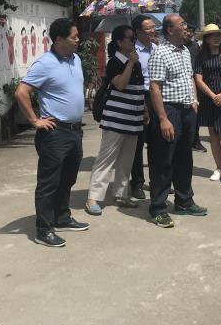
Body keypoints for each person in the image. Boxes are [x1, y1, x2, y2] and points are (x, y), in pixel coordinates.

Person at [15, 18, 89, 248]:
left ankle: (62, 217)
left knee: (68, 178)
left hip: (75, 131)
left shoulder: (76, 59)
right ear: (59, 40)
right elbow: (21, 92)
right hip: (55, 133)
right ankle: (44, 229)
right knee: (49, 183)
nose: (78, 40)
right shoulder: (45, 64)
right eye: (74, 37)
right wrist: (35, 120)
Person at [147, 13, 207, 228]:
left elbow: (189, 77)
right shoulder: (160, 53)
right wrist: (163, 119)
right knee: (163, 160)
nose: (186, 27)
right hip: (169, 111)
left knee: (184, 159)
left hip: (187, 110)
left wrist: (194, 100)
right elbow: (155, 87)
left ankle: (184, 201)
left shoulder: (185, 51)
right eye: (182, 24)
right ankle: (158, 208)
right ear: (170, 30)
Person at [85, 25, 146, 215]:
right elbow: (120, 84)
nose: (134, 41)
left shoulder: (134, 62)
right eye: (130, 38)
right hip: (116, 119)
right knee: (106, 159)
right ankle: (93, 197)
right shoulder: (115, 62)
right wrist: (130, 63)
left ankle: (121, 194)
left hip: (133, 118)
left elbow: (137, 88)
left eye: (134, 37)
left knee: (126, 160)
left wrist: (144, 109)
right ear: (120, 42)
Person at [194, 24, 221, 185]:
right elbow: (198, 79)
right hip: (208, 99)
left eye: (218, 35)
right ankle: (218, 167)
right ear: (206, 39)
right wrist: (213, 95)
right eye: (212, 35)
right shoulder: (200, 57)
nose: (216, 38)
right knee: (213, 134)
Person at [129, 15, 158, 200]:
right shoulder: (133, 52)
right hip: (140, 96)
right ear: (138, 32)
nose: (153, 30)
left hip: (157, 98)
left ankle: (157, 181)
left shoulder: (157, 48)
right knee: (138, 143)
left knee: (157, 142)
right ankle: (137, 183)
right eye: (148, 28)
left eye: (154, 27)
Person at [185, 24, 206, 153]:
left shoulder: (195, 46)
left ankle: (195, 141)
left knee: (196, 113)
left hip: (195, 83)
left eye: (191, 31)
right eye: (187, 30)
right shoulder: (178, 47)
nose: (189, 33)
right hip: (182, 84)